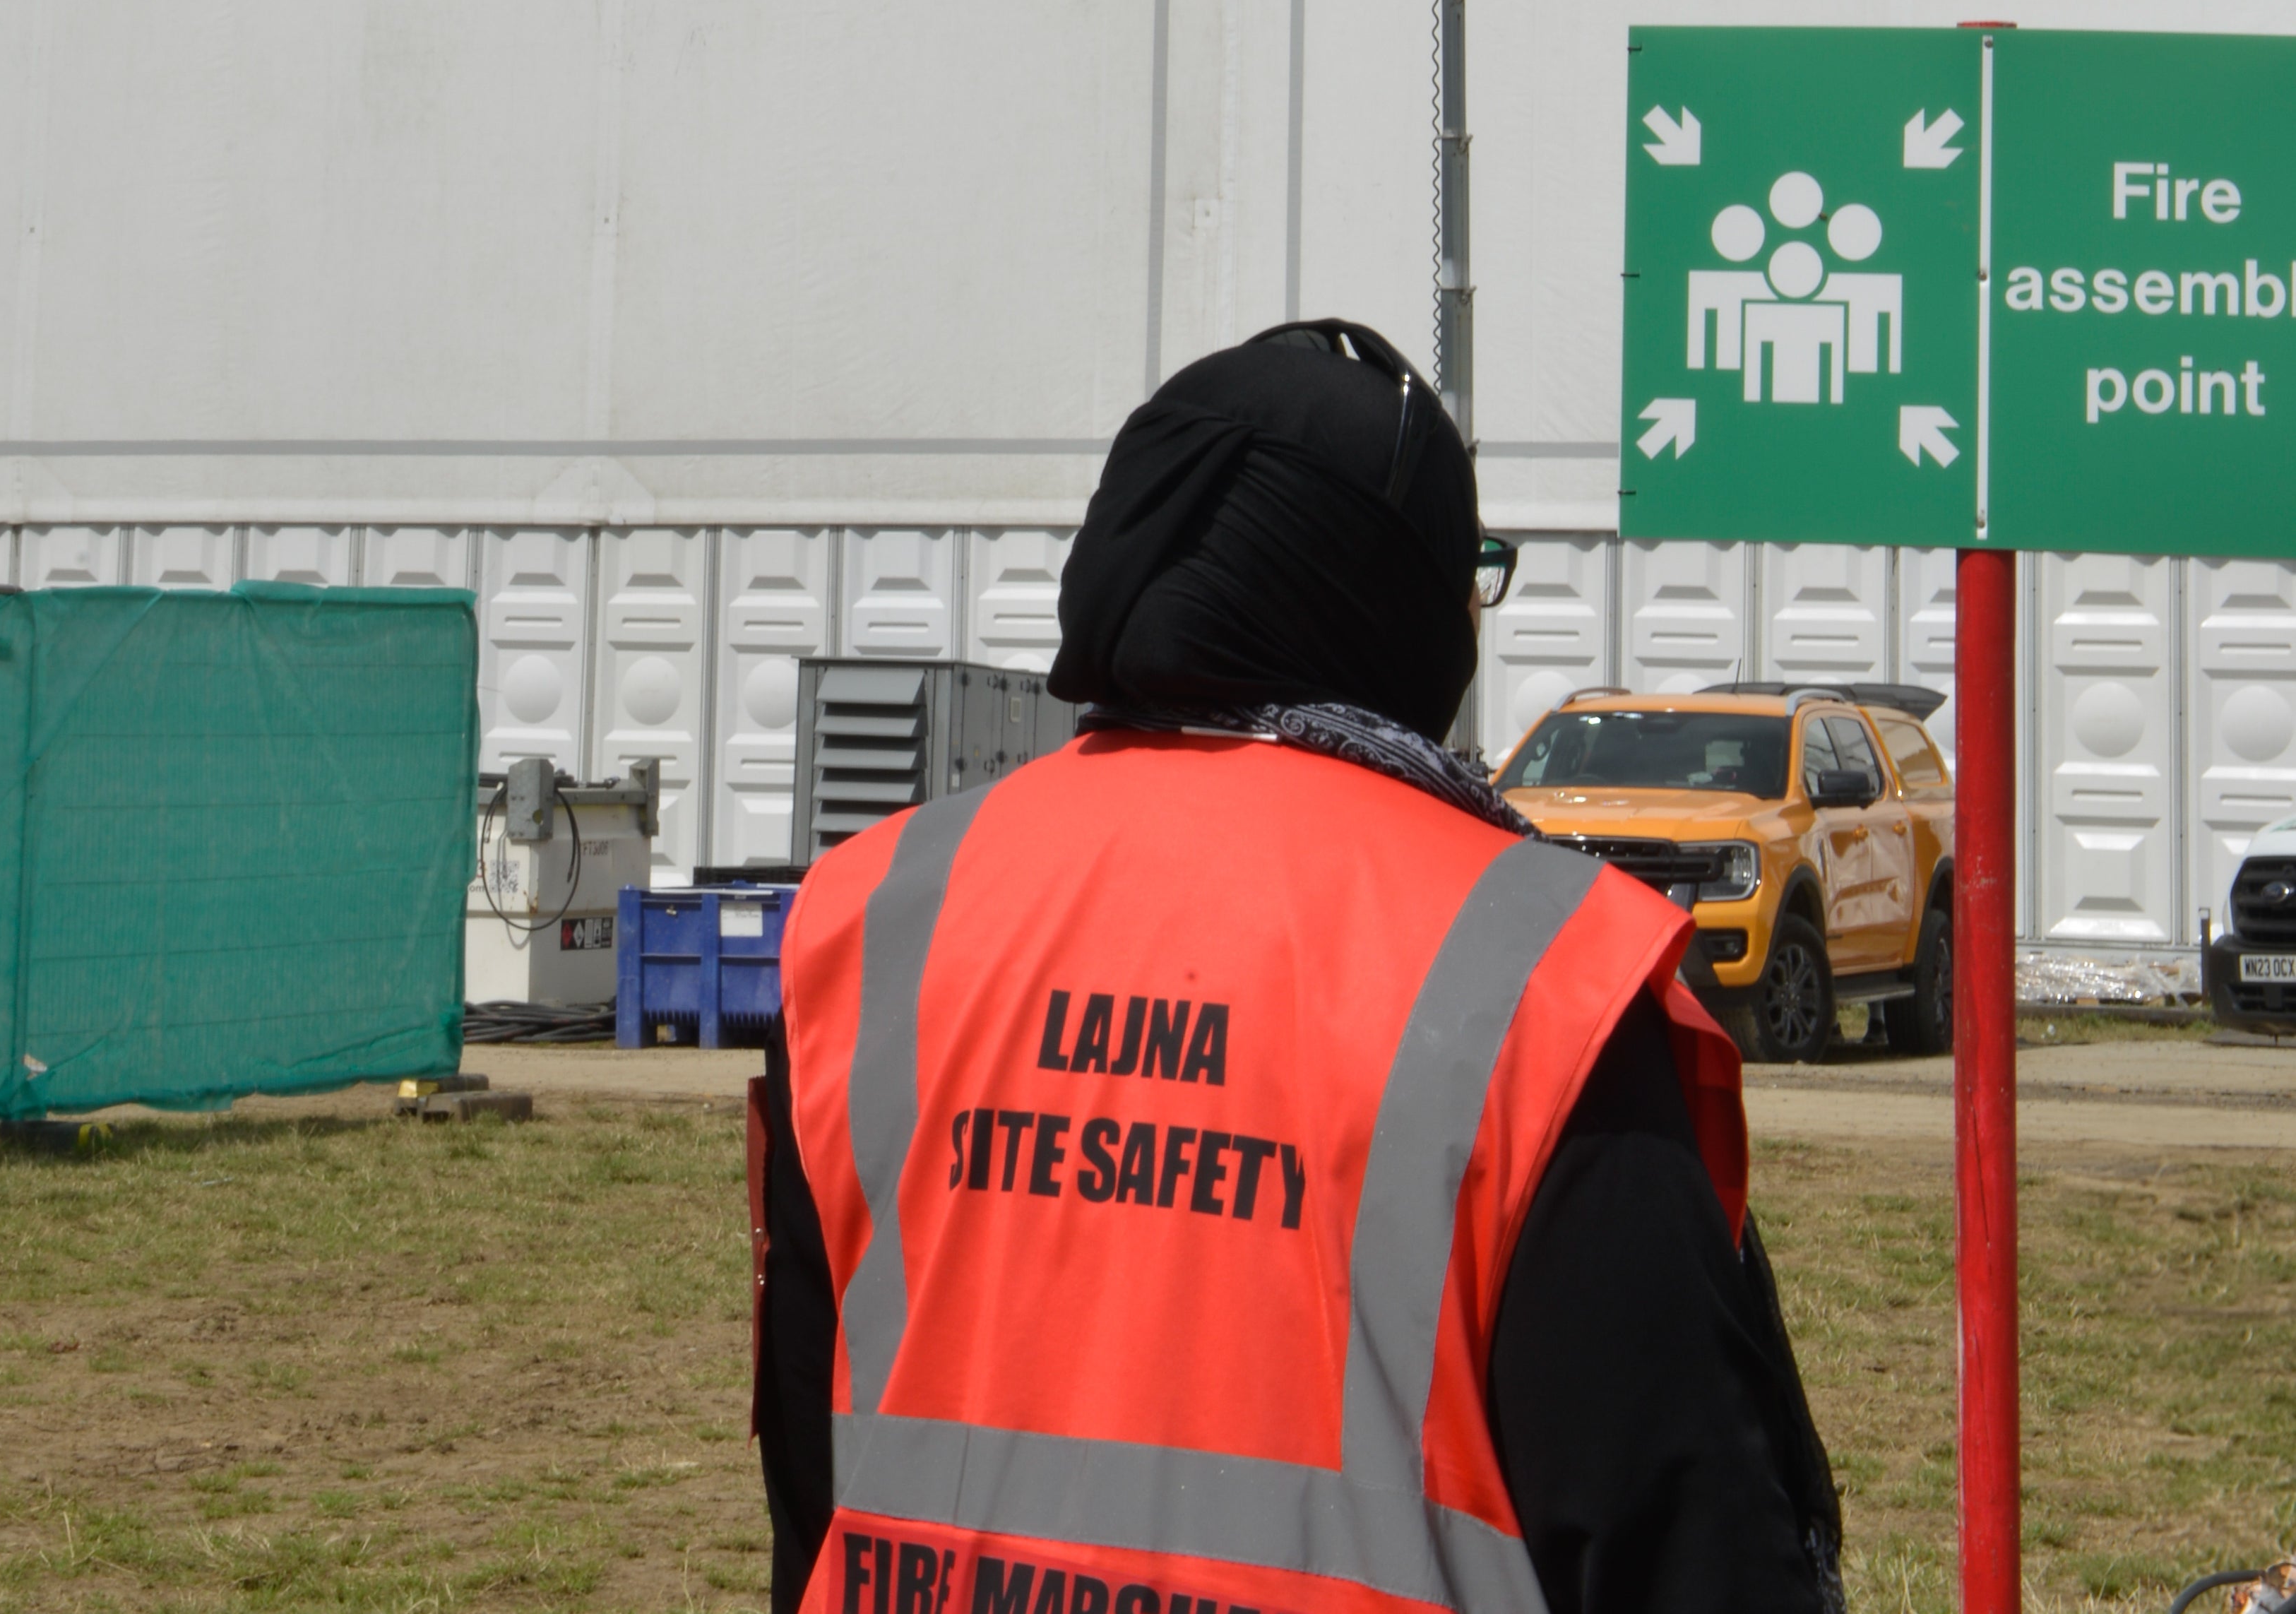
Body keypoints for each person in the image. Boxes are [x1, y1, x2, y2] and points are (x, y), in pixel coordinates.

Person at [753, 318, 1843, 1614]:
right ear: (1383, 595)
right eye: (1466, 573)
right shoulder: (1540, 968)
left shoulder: (871, 913)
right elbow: (1686, 1541)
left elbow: (812, 1476)